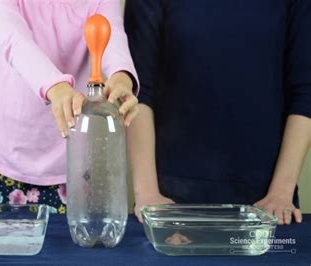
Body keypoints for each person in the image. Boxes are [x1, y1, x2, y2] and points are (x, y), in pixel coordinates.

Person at [125, 0, 311, 225]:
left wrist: (281, 192)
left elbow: (305, 92)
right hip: (171, 204)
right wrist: (147, 192)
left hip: (268, 205)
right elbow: (136, 90)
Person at [0, 0, 139, 214]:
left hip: (70, 171)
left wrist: (122, 77)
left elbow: (112, 36)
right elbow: (15, 41)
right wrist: (56, 87)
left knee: (70, 247)